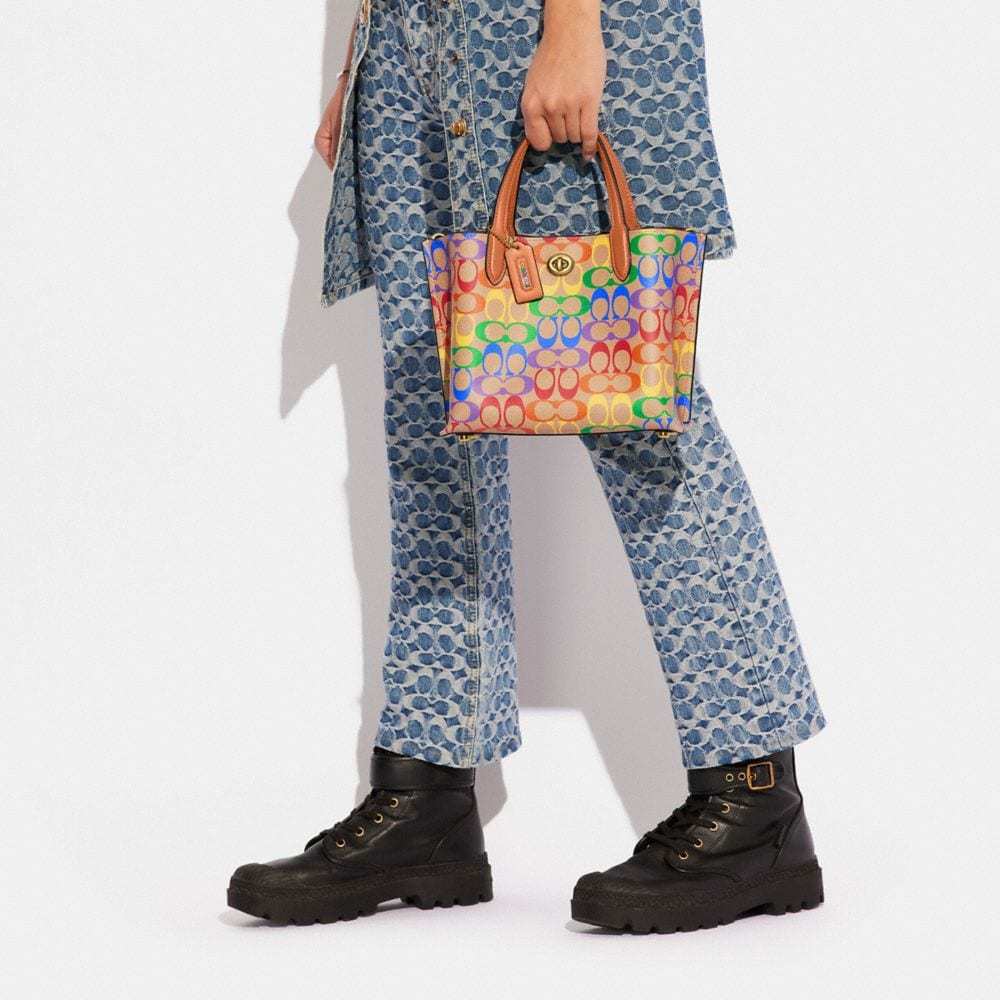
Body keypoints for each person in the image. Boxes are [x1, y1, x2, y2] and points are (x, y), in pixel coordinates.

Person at [228, 0, 826, 933]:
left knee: (638, 412)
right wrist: (364, 51)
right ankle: (427, 796)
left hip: (540, 23)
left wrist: (575, 23)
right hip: (407, 38)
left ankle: (755, 798)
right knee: (431, 415)